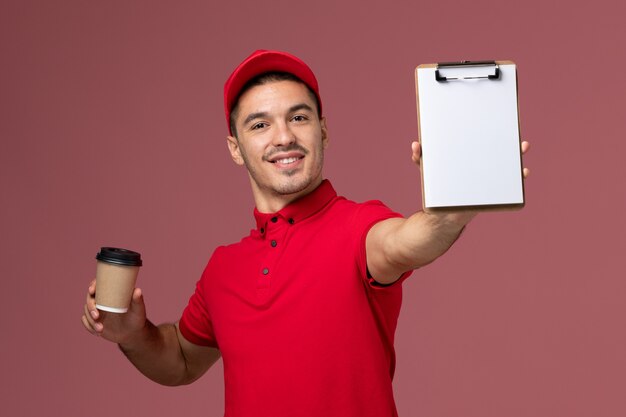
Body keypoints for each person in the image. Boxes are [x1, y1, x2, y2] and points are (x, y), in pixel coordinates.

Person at [82, 50, 530, 417]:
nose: (283, 137)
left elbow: (409, 240)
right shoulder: (222, 268)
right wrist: (133, 335)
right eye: (260, 124)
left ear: (323, 130)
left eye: (299, 118)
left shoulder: (359, 227)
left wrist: (453, 209)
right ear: (235, 148)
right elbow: (179, 360)